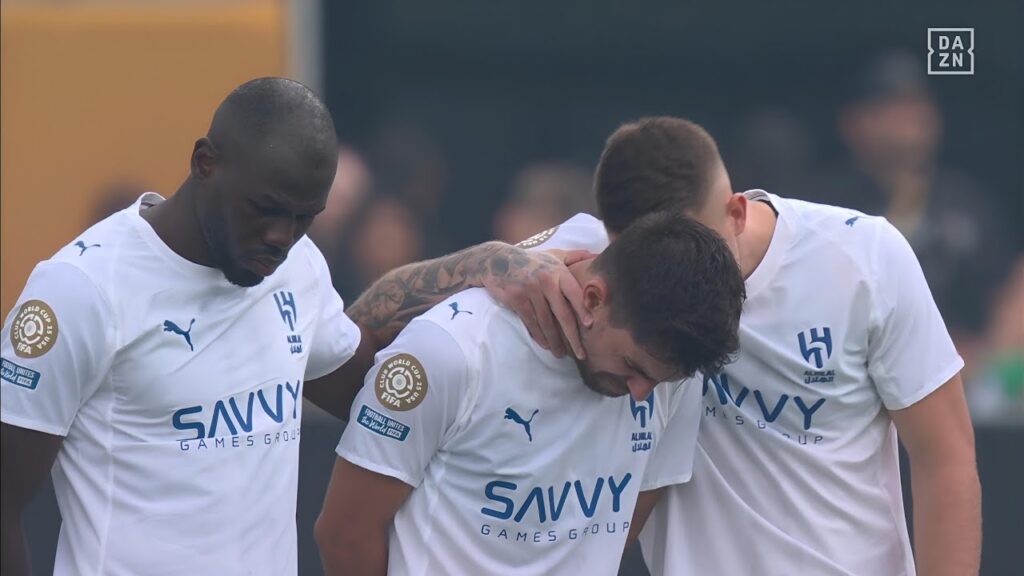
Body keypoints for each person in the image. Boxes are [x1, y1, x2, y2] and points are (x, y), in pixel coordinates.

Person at [531, 117, 981, 575]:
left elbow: (944, 460)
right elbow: (464, 283)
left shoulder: (865, 256)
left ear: (737, 213)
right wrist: (510, 265)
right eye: (649, 266)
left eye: (696, 250)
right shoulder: (601, 260)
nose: (673, 281)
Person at [314, 212, 746, 575]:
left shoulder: (669, 371)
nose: (642, 395)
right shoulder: (451, 350)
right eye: (632, 368)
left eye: (659, 382)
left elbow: (615, 531)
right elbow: (345, 535)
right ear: (593, 299)